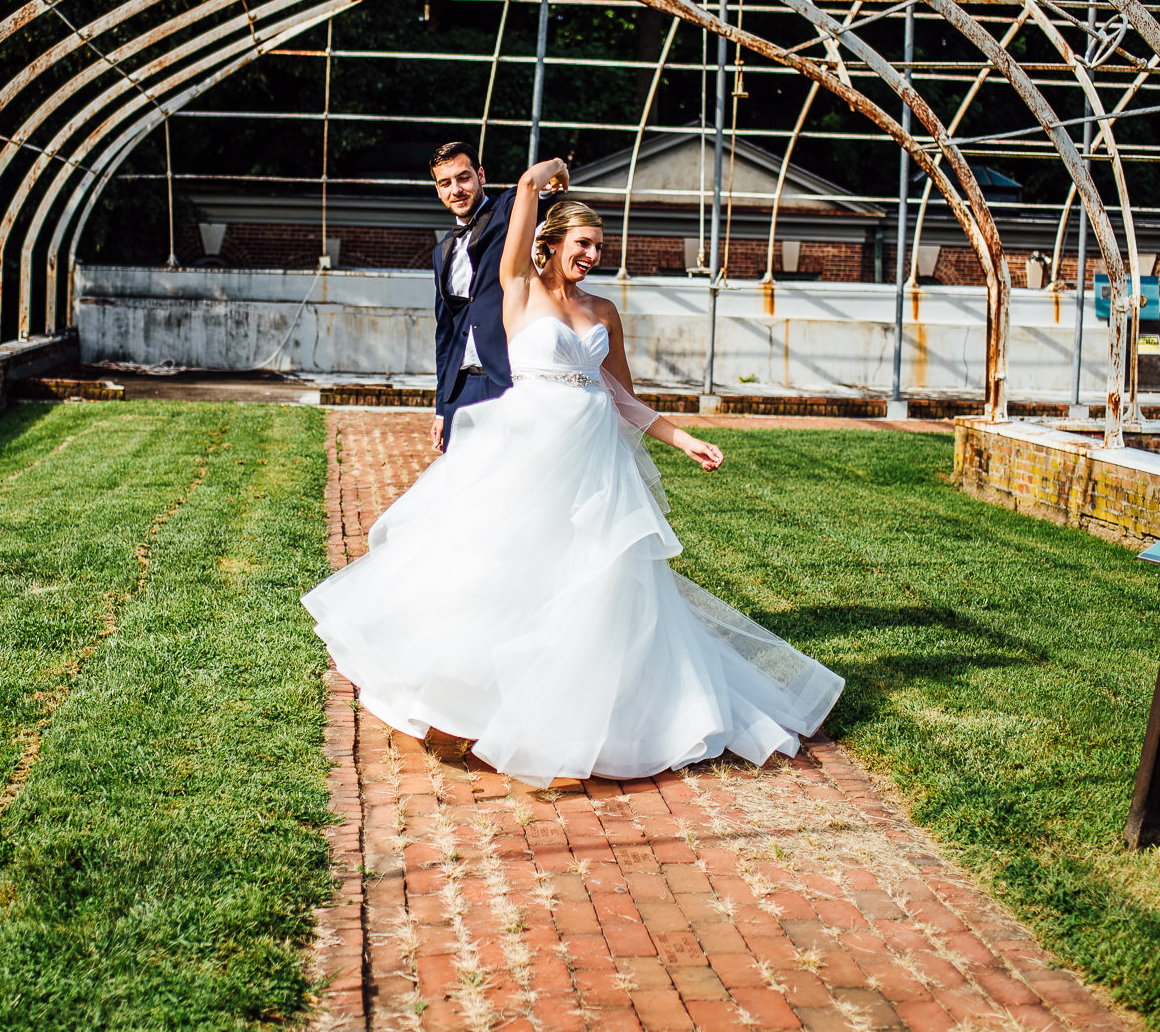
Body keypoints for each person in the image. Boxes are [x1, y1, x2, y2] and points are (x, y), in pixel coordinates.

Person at [303, 158, 844, 787]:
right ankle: (458, 708)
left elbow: (621, 397)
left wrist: (681, 437)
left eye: (599, 247)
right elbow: (527, 190)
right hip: (526, 449)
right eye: (582, 243)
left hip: (593, 460)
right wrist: (549, 172)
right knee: (499, 571)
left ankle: (562, 729)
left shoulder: (605, 312)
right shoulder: (517, 287)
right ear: (551, 243)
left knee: (588, 584)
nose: (592, 254)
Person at [426, 140, 550, 452]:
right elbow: (446, 332)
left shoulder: (508, 211)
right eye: (445, 183)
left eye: (463, 177)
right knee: (460, 486)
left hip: (506, 379)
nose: (456, 189)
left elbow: (533, 185)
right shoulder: (441, 252)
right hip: (460, 389)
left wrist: (558, 168)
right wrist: (442, 406)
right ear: (438, 190)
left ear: (481, 175)